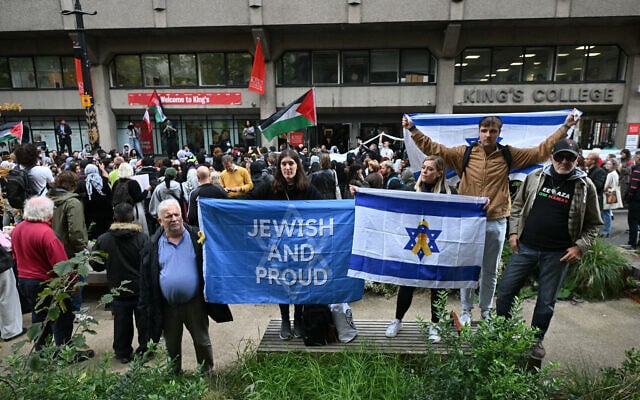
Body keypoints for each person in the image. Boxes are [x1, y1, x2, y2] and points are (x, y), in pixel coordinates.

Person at [403, 111, 577, 324]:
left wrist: (565, 127)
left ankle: (485, 310)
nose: (487, 135)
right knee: (467, 269)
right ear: (479, 132)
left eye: (492, 131)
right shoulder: (464, 154)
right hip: (468, 221)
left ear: (499, 133)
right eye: (484, 130)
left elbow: (540, 152)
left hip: (496, 220)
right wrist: (412, 130)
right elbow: (435, 149)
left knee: (490, 271)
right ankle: (466, 310)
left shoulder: (508, 155)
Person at [496, 139, 602, 360]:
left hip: (558, 254)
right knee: (506, 291)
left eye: (570, 158)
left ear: (577, 160)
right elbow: (516, 206)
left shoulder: (585, 186)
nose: (564, 161)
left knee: (546, 301)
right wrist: (513, 233)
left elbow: (595, 224)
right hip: (526, 247)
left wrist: (580, 248)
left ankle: (535, 339)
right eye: (560, 157)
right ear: (551, 157)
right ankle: (501, 333)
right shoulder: (535, 177)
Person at [245, 149, 322, 340]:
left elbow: (326, 207)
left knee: (300, 281)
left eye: (291, 164)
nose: (288, 168)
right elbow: (247, 201)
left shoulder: (308, 188)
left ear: (298, 166)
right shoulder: (270, 186)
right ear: (279, 167)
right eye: (284, 164)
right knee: (283, 283)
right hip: (278, 247)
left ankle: (298, 318)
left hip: (301, 247)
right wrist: (216, 201)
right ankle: (285, 319)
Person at [139, 199, 215, 374]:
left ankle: (207, 372)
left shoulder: (197, 237)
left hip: (194, 302)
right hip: (167, 305)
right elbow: (146, 278)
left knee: (202, 340)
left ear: (182, 216)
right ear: (160, 221)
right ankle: (175, 375)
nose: (174, 219)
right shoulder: (152, 245)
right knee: (172, 343)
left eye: (177, 214)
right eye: (168, 216)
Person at [385, 156, 454, 343]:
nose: (424, 171)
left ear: (440, 173)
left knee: (437, 286)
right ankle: (397, 319)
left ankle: (435, 324)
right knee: (406, 283)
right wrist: (360, 192)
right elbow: (390, 203)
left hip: (437, 246)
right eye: (423, 167)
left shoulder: (451, 193)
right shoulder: (410, 189)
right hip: (414, 245)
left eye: (430, 169)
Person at [13, 197, 75, 352]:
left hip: (24, 279)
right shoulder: (47, 234)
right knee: (62, 317)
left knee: (39, 316)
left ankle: (42, 351)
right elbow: (61, 265)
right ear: (46, 213)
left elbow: (15, 254)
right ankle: (65, 351)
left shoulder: (18, 229)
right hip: (45, 281)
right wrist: (72, 283)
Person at [91, 202, 150, 364]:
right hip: (139, 288)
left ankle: (122, 352)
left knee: (121, 322)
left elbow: (96, 265)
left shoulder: (104, 240)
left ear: (114, 217)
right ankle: (146, 349)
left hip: (117, 289)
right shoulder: (142, 238)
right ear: (133, 217)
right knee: (143, 322)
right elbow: (149, 263)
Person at [112, 162, 151, 235]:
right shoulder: (133, 183)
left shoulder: (116, 183)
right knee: (137, 231)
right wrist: (146, 190)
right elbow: (139, 198)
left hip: (119, 210)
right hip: (133, 209)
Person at [77, 163, 112, 240]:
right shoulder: (103, 181)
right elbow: (110, 195)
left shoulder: (82, 183)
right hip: (105, 212)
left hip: (89, 212)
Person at [583, 152, 607, 232]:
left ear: (593, 161)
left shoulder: (600, 171)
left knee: (592, 223)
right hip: (586, 199)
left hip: (595, 200)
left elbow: (597, 186)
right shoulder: (587, 170)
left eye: (587, 159)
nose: (585, 160)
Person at [601, 158, 623, 237]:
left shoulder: (611, 174)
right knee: (606, 212)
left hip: (608, 193)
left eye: (609, 164)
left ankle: (606, 231)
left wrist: (602, 190)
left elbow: (606, 185)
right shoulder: (615, 173)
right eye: (607, 163)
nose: (607, 165)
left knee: (606, 212)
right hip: (611, 193)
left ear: (613, 165)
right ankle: (606, 230)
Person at [625, 151, 640, 248]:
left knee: (633, 221)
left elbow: (633, 185)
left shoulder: (638, 169)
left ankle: (632, 243)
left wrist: (628, 197)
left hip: (637, 199)